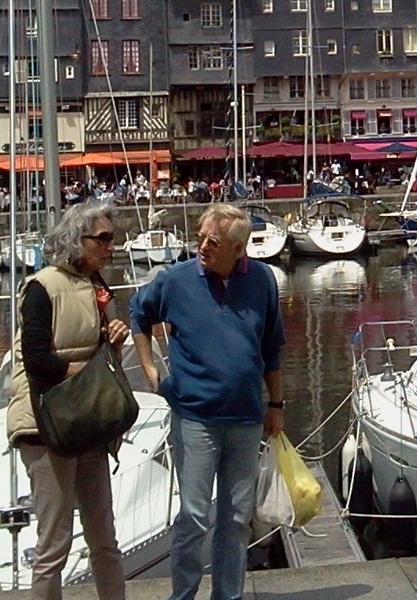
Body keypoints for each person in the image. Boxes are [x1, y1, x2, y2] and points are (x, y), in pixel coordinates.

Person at [130, 204, 285, 600]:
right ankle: (183, 595)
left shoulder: (263, 280)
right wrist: (151, 371)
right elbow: (139, 314)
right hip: (195, 417)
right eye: (199, 238)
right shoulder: (177, 281)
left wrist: (277, 405)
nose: (202, 247)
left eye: (212, 242)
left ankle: (227, 596)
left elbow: (272, 346)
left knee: (235, 519)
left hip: (247, 418)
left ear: (239, 248)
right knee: (194, 517)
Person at [6, 199, 130, 600]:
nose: (111, 246)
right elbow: (37, 360)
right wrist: (93, 375)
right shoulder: (42, 287)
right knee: (53, 546)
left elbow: (99, 349)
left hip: (88, 425)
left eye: (113, 239)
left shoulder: (98, 287)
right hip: (47, 426)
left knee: (105, 541)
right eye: (104, 239)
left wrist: (113, 337)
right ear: (79, 240)